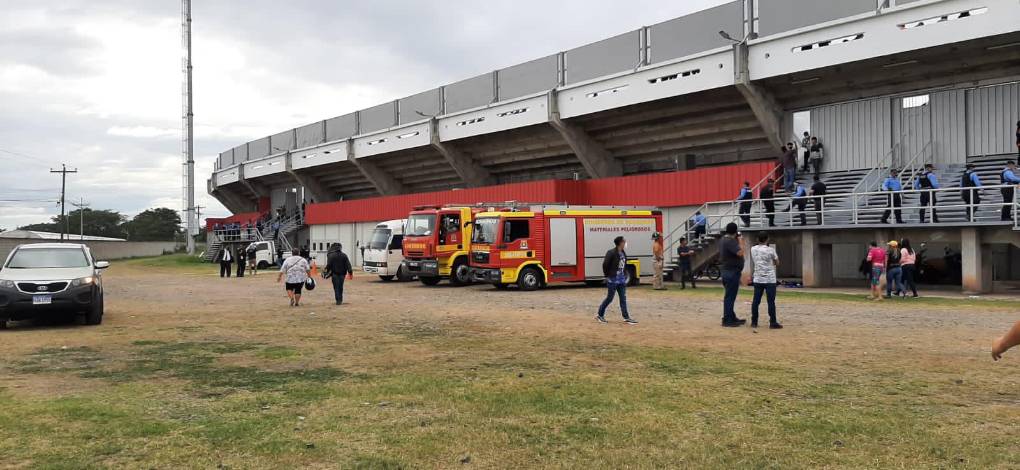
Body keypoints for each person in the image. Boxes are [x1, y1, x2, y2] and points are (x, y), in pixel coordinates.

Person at [596, 236, 638, 325]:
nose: (625, 243)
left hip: (621, 280)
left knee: (623, 299)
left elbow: (623, 264)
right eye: (624, 241)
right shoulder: (611, 252)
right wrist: (607, 276)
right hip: (613, 280)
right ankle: (600, 315)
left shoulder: (622, 252)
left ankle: (626, 317)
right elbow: (605, 264)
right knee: (609, 298)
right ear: (620, 243)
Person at [750, 232, 781, 329]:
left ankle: (754, 321)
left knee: (756, 301)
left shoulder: (753, 249)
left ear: (757, 239)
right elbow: (777, 262)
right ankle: (773, 322)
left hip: (758, 278)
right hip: (770, 279)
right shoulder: (770, 250)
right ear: (767, 239)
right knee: (771, 301)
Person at [719, 223, 746, 327]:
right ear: (735, 232)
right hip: (732, 271)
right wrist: (741, 242)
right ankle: (727, 319)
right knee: (730, 296)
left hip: (728, 270)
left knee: (730, 296)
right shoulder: (730, 241)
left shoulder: (723, 239)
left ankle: (731, 316)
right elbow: (740, 253)